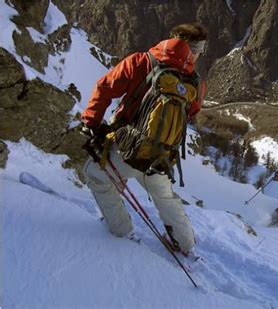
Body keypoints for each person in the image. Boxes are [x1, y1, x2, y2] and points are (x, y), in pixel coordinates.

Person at [80, 23, 208, 255]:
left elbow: (104, 87)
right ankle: (186, 244)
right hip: (161, 154)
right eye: (200, 50)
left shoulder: (142, 61)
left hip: (128, 147)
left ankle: (122, 231)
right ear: (195, 50)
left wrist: (91, 123)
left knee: (95, 175)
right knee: (165, 197)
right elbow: (192, 112)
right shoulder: (196, 83)